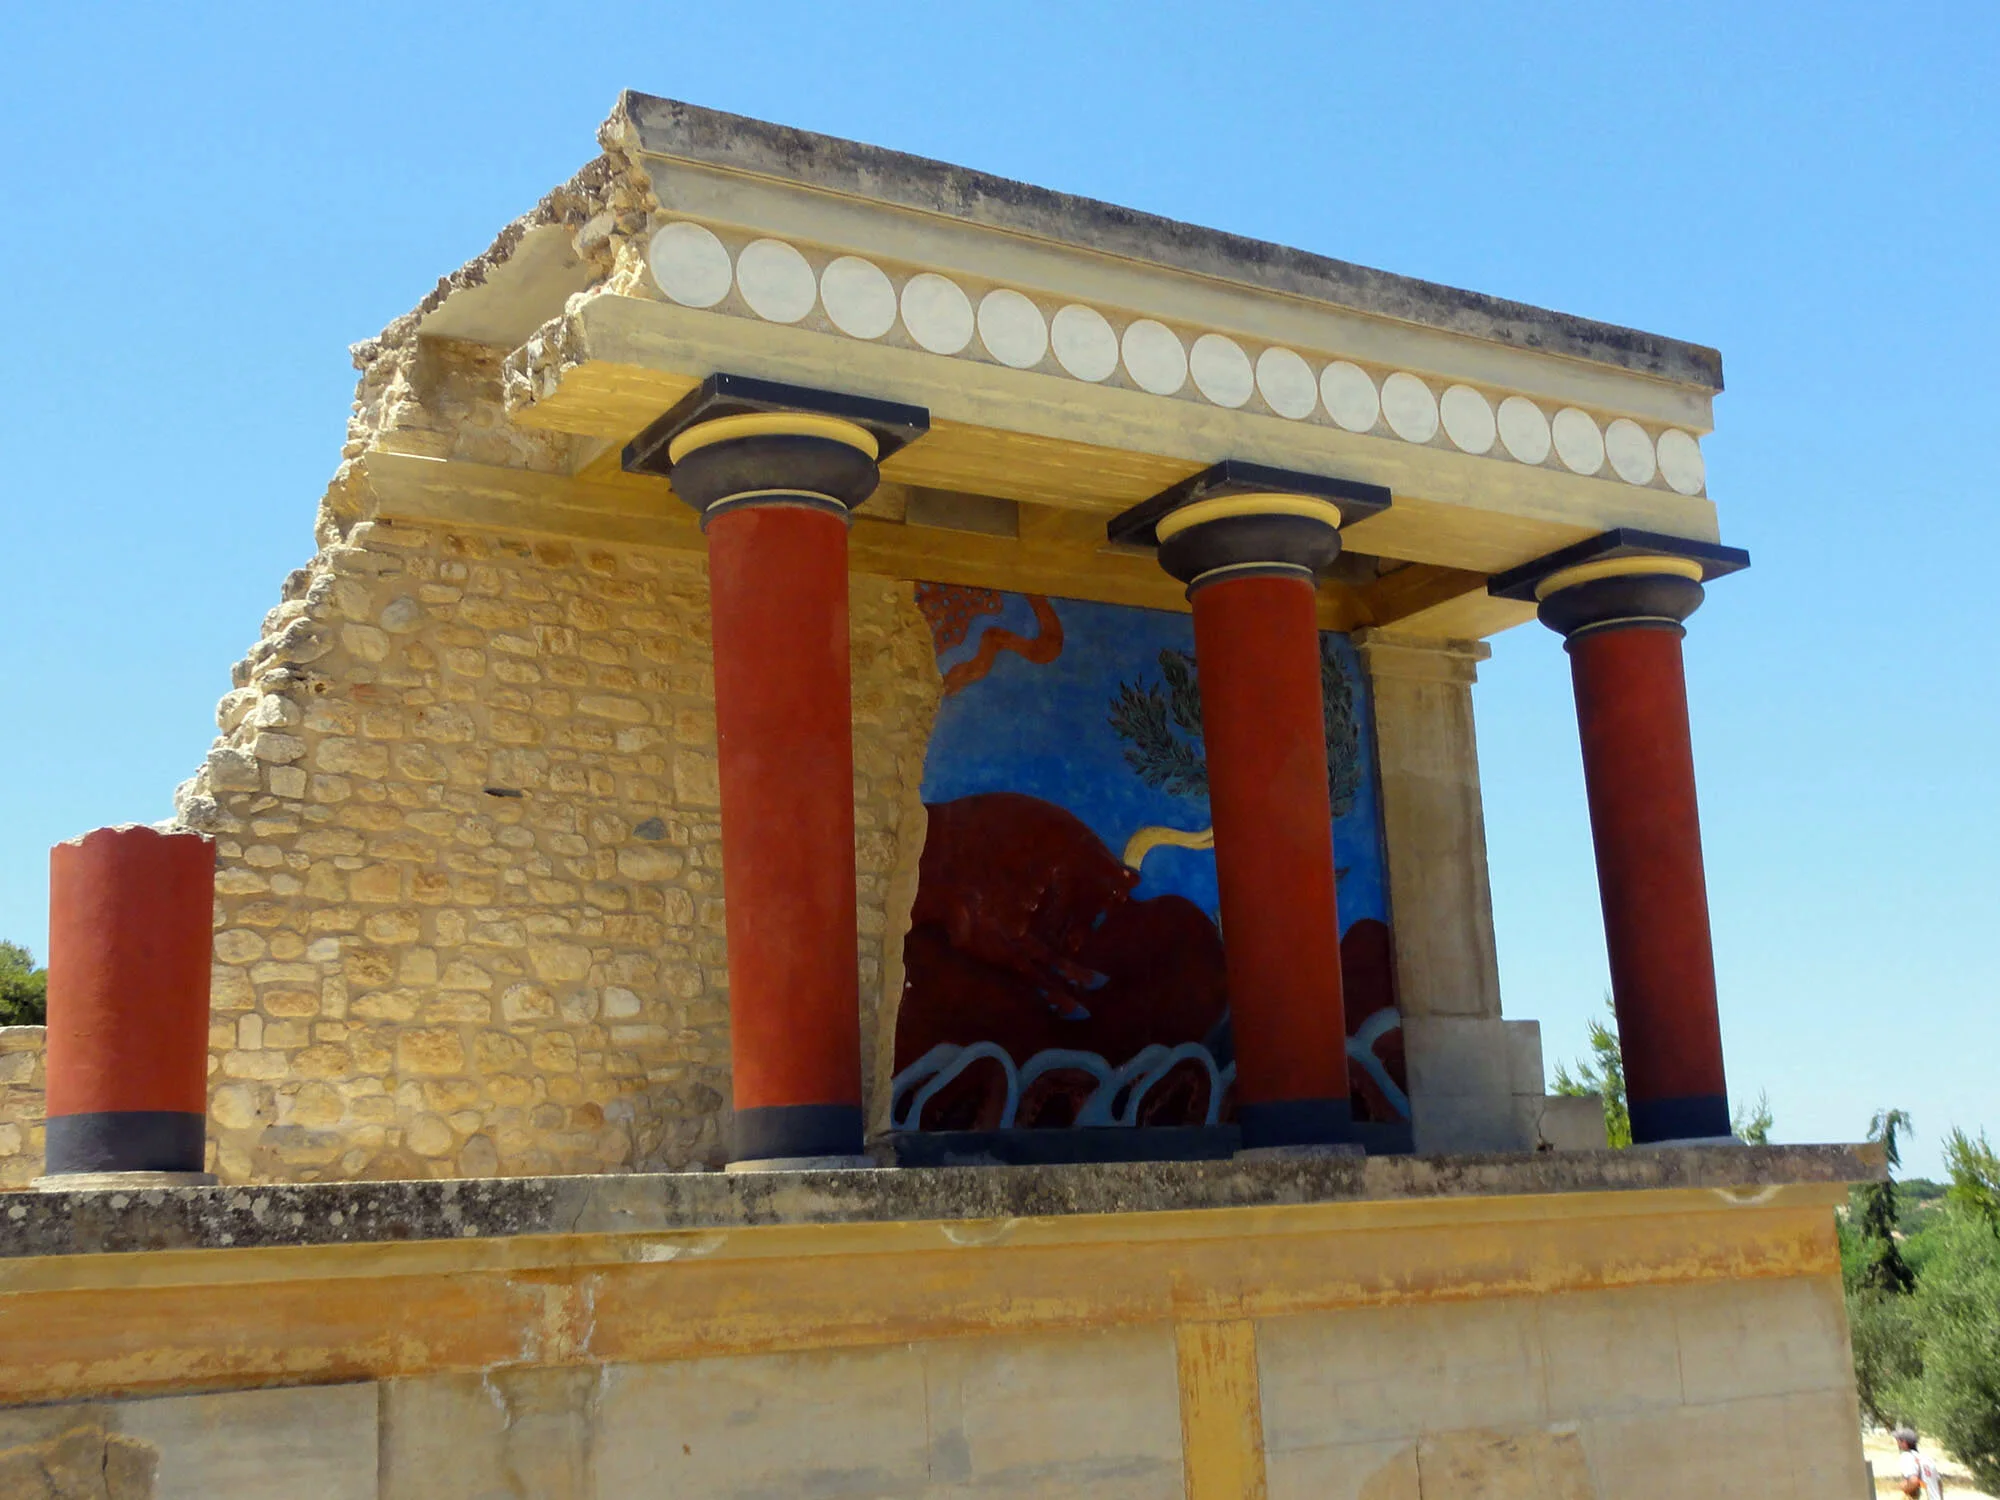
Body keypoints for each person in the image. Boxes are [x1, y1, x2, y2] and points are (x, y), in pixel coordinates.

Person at [1896, 1427, 1944, 1499]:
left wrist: (1904, 1488)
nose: (1897, 1443)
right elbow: (1939, 1484)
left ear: (1905, 1443)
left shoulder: (1906, 1457)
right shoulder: (1927, 1459)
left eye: (1898, 1441)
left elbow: (1914, 1481)